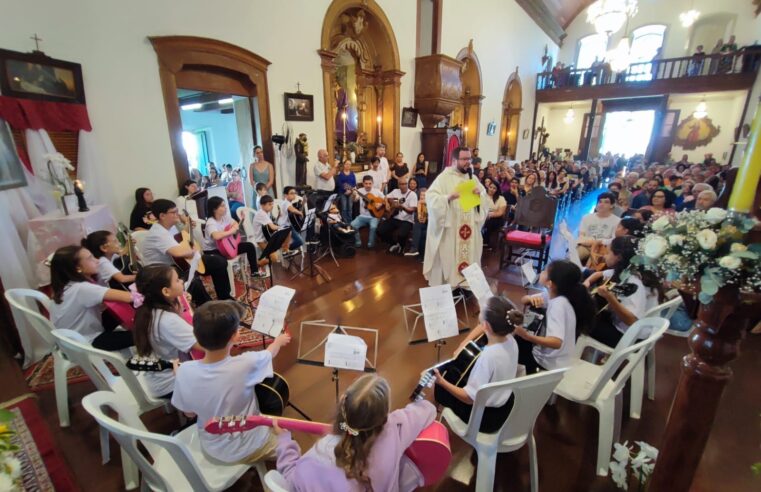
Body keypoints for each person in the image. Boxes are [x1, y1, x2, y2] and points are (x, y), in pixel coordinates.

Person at [172, 301, 291, 464]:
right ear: (236, 336)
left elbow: (189, 414)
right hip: (249, 446)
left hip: (211, 445)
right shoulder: (246, 363)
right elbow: (270, 353)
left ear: (196, 334)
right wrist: (278, 341)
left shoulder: (184, 371)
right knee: (291, 445)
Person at [274, 374, 436, 491]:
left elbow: (290, 480)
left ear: (343, 401)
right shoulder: (396, 428)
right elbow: (428, 410)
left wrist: (284, 441)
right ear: (384, 417)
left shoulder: (317, 458)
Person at [435, 296, 518, 432]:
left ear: (486, 325)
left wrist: (441, 382)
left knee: (440, 391)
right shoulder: (511, 340)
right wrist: (464, 342)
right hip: (506, 404)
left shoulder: (488, 357)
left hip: (485, 418)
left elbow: (468, 399)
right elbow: (482, 327)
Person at [512, 260, 595, 374]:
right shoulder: (558, 294)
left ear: (550, 283)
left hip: (547, 364)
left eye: (545, 272)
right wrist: (530, 299)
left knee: (511, 345)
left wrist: (527, 336)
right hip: (557, 360)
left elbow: (556, 342)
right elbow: (524, 300)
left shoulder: (558, 305)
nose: (541, 272)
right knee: (519, 333)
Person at [423, 147, 490, 287]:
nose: (468, 162)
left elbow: (484, 199)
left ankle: (466, 284)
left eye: (469, 158)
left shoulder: (473, 177)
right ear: (454, 160)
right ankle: (450, 285)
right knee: (449, 257)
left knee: (470, 255)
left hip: (469, 228)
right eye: (464, 159)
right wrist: (448, 197)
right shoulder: (444, 177)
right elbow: (430, 197)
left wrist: (480, 195)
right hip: (451, 228)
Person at [132, 265, 200, 398]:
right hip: (170, 383)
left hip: (157, 376)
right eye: (177, 280)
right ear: (166, 291)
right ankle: (193, 412)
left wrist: (181, 305)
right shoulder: (167, 320)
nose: (181, 281)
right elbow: (204, 345)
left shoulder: (147, 309)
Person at [141, 199, 227, 303]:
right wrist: (194, 251)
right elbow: (178, 253)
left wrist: (187, 228)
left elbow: (179, 240)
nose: (178, 215)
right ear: (162, 216)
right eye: (174, 212)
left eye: (177, 211)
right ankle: (207, 307)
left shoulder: (168, 227)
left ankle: (224, 297)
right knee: (194, 279)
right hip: (162, 272)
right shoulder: (158, 233)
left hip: (178, 263)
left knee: (219, 262)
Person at [49, 245, 134, 350]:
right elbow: (131, 297)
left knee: (118, 308)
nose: (97, 261)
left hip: (72, 338)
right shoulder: (82, 288)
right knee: (144, 335)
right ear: (77, 268)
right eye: (90, 258)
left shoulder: (65, 285)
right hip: (87, 342)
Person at [589, 236, 661, 348]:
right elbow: (606, 276)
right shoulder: (636, 269)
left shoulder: (634, 280)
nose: (605, 256)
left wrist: (610, 298)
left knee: (580, 321)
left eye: (608, 253)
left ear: (619, 256)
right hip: (637, 332)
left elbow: (631, 320)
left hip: (630, 338)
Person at [203, 196, 269, 278]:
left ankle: (254, 272)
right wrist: (231, 231)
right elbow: (216, 236)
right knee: (222, 263)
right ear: (214, 209)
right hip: (213, 251)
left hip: (227, 246)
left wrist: (235, 227)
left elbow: (235, 224)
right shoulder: (211, 222)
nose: (226, 208)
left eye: (225, 205)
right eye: (222, 206)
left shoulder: (225, 217)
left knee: (249, 246)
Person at [577, 193, 621, 264]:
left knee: (593, 263)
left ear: (612, 205)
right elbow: (581, 235)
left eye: (606, 202)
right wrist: (591, 242)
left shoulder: (617, 221)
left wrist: (598, 242)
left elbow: (614, 239)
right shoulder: (587, 217)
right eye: (600, 202)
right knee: (573, 256)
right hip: (586, 246)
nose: (602, 204)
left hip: (603, 248)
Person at [252, 195, 298, 264]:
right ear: (262, 205)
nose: (272, 206)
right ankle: (256, 265)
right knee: (275, 259)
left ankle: (285, 250)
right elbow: (273, 227)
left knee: (288, 232)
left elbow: (270, 226)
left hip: (268, 238)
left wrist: (279, 218)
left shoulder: (266, 213)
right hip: (261, 241)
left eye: (272, 204)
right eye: (269, 204)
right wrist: (283, 227)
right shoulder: (261, 214)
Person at [377, 177, 417, 254]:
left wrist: (403, 207)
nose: (404, 186)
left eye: (405, 184)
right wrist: (387, 203)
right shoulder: (395, 191)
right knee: (380, 230)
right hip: (395, 217)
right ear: (398, 185)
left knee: (401, 234)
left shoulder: (412, 195)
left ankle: (402, 246)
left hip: (407, 220)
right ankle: (393, 243)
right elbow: (386, 197)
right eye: (402, 184)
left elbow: (411, 211)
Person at [351, 175, 384, 249]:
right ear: (363, 183)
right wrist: (353, 195)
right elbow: (355, 200)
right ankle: (358, 242)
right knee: (352, 225)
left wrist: (380, 204)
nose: (368, 185)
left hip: (374, 216)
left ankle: (371, 243)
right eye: (366, 183)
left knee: (373, 227)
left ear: (372, 183)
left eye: (370, 183)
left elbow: (385, 200)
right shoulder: (359, 191)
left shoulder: (377, 191)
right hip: (362, 216)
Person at [277, 186, 306, 251]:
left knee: (300, 240)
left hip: (289, 225)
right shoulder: (285, 203)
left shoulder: (288, 203)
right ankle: (285, 249)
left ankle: (286, 249)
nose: (294, 195)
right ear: (286, 195)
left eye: (294, 193)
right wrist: (300, 213)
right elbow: (293, 210)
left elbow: (296, 210)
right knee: (300, 241)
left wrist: (303, 203)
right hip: (285, 226)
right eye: (291, 193)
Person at [482, 181, 507, 247]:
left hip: (496, 218)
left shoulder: (501, 198)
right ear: (488, 187)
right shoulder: (483, 196)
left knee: (489, 222)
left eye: (494, 188)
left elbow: (500, 213)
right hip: (483, 215)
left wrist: (489, 215)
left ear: (497, 189)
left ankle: (486, 242)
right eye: (490, 187)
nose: (492, 189)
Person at [405, 188, 428, 258]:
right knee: (417, 226)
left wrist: (426, 217)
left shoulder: (431, 204)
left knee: (418, 228)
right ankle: (416, 251)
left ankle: (415, 249)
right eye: (421, 195)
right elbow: (418, 218)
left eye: (424, 195)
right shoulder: (418, 203)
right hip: (420, 225)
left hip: (430, 225)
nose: (422, 197)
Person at [336, 159, 357, 223]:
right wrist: (345, 190)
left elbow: (354, 183)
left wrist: (350, 191)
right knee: (344, 208)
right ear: (344, 165)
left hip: (351, 192)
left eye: (349, 164)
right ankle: (345, 222)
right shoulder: (340, 173)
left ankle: (350, 222)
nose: (348, 165)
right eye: (347, 164)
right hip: (342, 193)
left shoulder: (352, 174)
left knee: (350, 208)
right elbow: (339, 183)